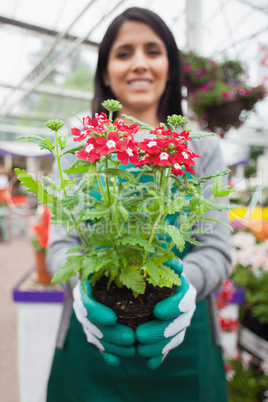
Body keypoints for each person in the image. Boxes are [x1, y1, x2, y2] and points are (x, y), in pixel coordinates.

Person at [46, 7, 231, 401]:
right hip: (93, 346)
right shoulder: (82, 149)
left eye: (153, 50)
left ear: (170, 66)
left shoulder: (200, 148)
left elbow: (216, 249)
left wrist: (186, 287)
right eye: (124, 53)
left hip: (186, 350)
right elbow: (62, 247)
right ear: (106, 71)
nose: (140, 64)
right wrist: (80, 289)